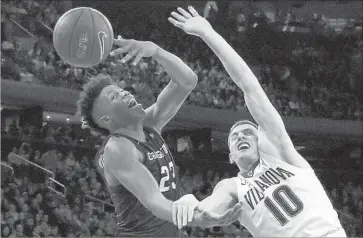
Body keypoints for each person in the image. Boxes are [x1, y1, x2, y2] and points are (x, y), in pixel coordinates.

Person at [169, 6, 346, 237]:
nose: (241, 135)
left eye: (248, 132)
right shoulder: (232, 187)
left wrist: (207, 33)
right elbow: (207, 213)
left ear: (262, 141)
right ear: (230, 155)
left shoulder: (283, 156)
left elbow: (248, 84)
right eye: (234, 137)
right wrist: (191, 205)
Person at [77, 36, 241, 237]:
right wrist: (198, 220)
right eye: (114, 96)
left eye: (121, 90)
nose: (125, 93)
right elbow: (154, 201)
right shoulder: (118, 149)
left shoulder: (150, 125)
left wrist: (155, 51)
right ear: (106, 120)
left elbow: (187, 81)